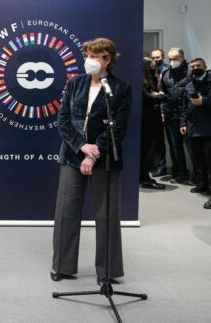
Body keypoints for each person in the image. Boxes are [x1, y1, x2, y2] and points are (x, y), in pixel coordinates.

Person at [51, 38, 131, 286]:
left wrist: (94, 152)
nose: (89, 61)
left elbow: (118, 127)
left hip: (105, 158)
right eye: (87, 55)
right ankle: (62, 265)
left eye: (94, 56)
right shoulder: (75, 83)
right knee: (66, 211)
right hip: (72, 154)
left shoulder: (121, 88)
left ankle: (107, 270)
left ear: (107, 59)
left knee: (106, 214)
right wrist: (81, 147)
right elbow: (62, 119)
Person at [180, 58, 211, 207]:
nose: (195, 68)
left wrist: (204, 101)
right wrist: (183, 123)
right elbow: (184, 106)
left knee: (209, 160)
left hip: (208, 129)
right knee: (198, 159)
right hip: (193, 128)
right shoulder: (190, 84)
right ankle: (202, 184)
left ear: (205, 67)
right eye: (192, 66)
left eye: (198, 66)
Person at [160, 48, 192, 184]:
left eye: (175, 58)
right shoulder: (166, 73)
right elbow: (163, 94)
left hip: (189, 117)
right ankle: (181, 173)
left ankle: (200, 177)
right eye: (170, 59)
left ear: (182, 57)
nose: (172, 61)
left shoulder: (191, 72)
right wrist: (162, 110)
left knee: (192, 148)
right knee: (175, 147)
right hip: (171, 116)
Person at [140, 57, 166, 189]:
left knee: (148, 149)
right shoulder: (142, 82)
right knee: (146, 150)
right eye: (151, 67)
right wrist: (157, 96)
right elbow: (147, 96)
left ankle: (144, 177)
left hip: (151, 118)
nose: (153, 68)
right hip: (146, 120)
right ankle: (144, 178)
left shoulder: (151, 79)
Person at [150, 49, 171, 177]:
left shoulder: (167, 70)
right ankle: (158, 165)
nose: (155, 59)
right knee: (156, 140)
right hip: (155, 108)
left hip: (166, 108)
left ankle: (164, 167)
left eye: (158, 57)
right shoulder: (151, 70)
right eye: (153, 57)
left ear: (163, 57)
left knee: (165, 141)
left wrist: (163, 110)